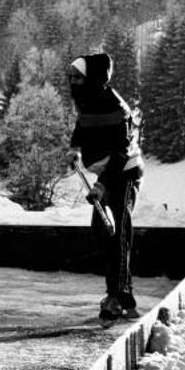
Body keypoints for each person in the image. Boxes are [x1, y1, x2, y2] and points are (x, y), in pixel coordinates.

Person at [67, 52, 145, 323]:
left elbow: (122, 153)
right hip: (106, 173)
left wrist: (101, 185)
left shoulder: (116, 108)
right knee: (102, 232)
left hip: (124, 173)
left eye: (78, 77)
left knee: (117, 232)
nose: (73, 82)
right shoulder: (88, 101)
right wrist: (75, 150)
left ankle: (119, 298)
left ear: (93, 78)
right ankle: (120, 294)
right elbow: (81, 129)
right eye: (72, 77)